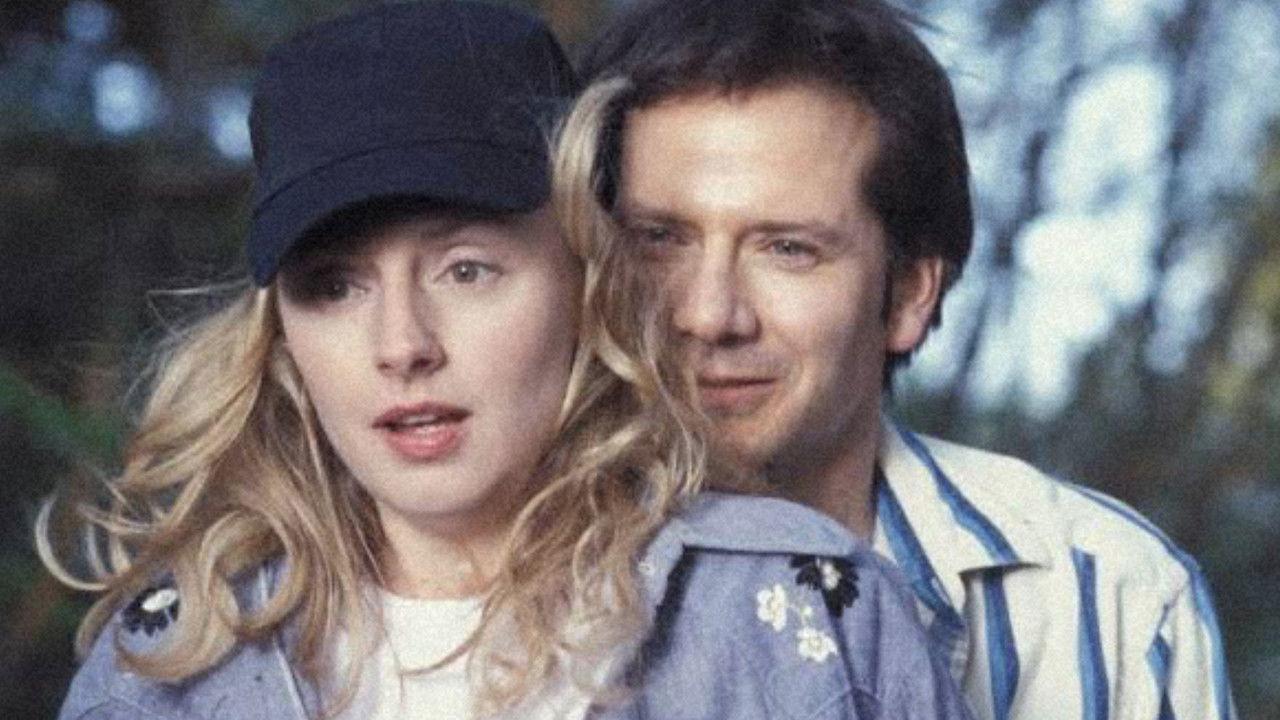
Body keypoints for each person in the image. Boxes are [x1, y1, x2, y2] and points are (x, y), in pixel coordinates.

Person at [41, 2, 971, 719]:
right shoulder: (161, 664)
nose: (403, 345)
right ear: (283, 336)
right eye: (335, 286)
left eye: (466, 270)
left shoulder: (806, 608)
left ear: (588, 282)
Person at [559, 0, 1238, 718]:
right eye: (659, 240)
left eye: (788, 249)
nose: (708, 315)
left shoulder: (1113, 599)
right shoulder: (484, 575)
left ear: (911, 294)